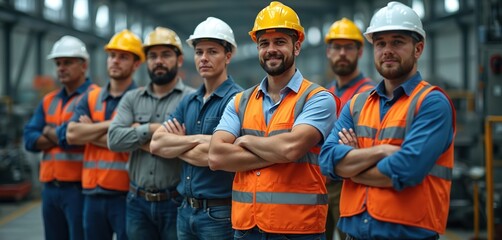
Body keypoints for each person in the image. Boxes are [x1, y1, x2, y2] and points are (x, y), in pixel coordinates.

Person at [319, 2, 455, 239]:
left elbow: (407, 169)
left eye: (397, 42)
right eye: (380, 43)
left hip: (406, 233)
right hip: (354, 233)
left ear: (418, 49)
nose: (387, 50)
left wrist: (352, 167)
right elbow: (328, 160)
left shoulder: (432, 103)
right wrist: (382, 151)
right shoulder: (358, 104)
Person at [208, 2, 339, 239]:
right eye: (264, 43)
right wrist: (275, 151)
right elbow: (216, 156)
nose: (271, 49)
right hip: (247, 227)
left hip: (298, 229)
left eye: (280, 42)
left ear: (297, 46)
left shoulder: (318, 99)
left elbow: (291, 148)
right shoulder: (241, 101)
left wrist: (245, 140)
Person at [149, 17, 242, 240]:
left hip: (219, 213)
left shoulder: (237, 100)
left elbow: (218, 156)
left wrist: (179, 144)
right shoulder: (189, 100)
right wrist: (200, 141)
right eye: (199, 52)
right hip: (185, 209)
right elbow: (156, 144)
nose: (204, 58)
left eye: (212, 52)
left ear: (228, 56)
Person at [107, 26, 195, 240]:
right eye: (153, 56)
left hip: (175, 203)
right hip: (137, 203)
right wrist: (155, 130)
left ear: (179, 60)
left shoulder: (192, 99)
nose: (158, 61)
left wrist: (137, 132)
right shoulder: (132, 98)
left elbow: (192, 145)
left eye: (166, 55)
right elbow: (114, 139)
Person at [65, 29, 144, 240]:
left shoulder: (142, 99)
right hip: (92, 194)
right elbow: (72, 134)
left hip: (126, 195)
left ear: (136, 64)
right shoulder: (90, 98)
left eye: (123, 57)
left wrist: (90, 130)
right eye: (112, 56)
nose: (115, 61)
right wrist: (116, 126)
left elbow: (136, 142)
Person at [23, 35, 97, 240]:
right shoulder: (48, 100)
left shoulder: (96, 97)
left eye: (67, 63)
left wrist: (48, 131)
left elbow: (79, 140)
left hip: (80, 189)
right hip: (50, 190)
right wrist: (64, 135)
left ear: (84, 66)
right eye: (58, 63)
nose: (61, 68)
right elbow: (29, 139)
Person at [323, 17, 375, 240]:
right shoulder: (325, 93)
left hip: (350, 184)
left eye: (348, 47)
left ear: (360, 52)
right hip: (321, 180)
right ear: (328, 51)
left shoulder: (371, 94)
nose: (342, 53)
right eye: (336, 47)